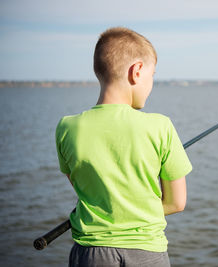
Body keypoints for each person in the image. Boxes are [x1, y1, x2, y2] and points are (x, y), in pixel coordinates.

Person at [55, 27, 192, 267]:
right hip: (147, 252)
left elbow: (83, 189)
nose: (151, 84)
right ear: (137, 71)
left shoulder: (67, 128)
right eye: (152, 76)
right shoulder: (161, 126)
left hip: (91, 253)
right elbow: (177, 203)